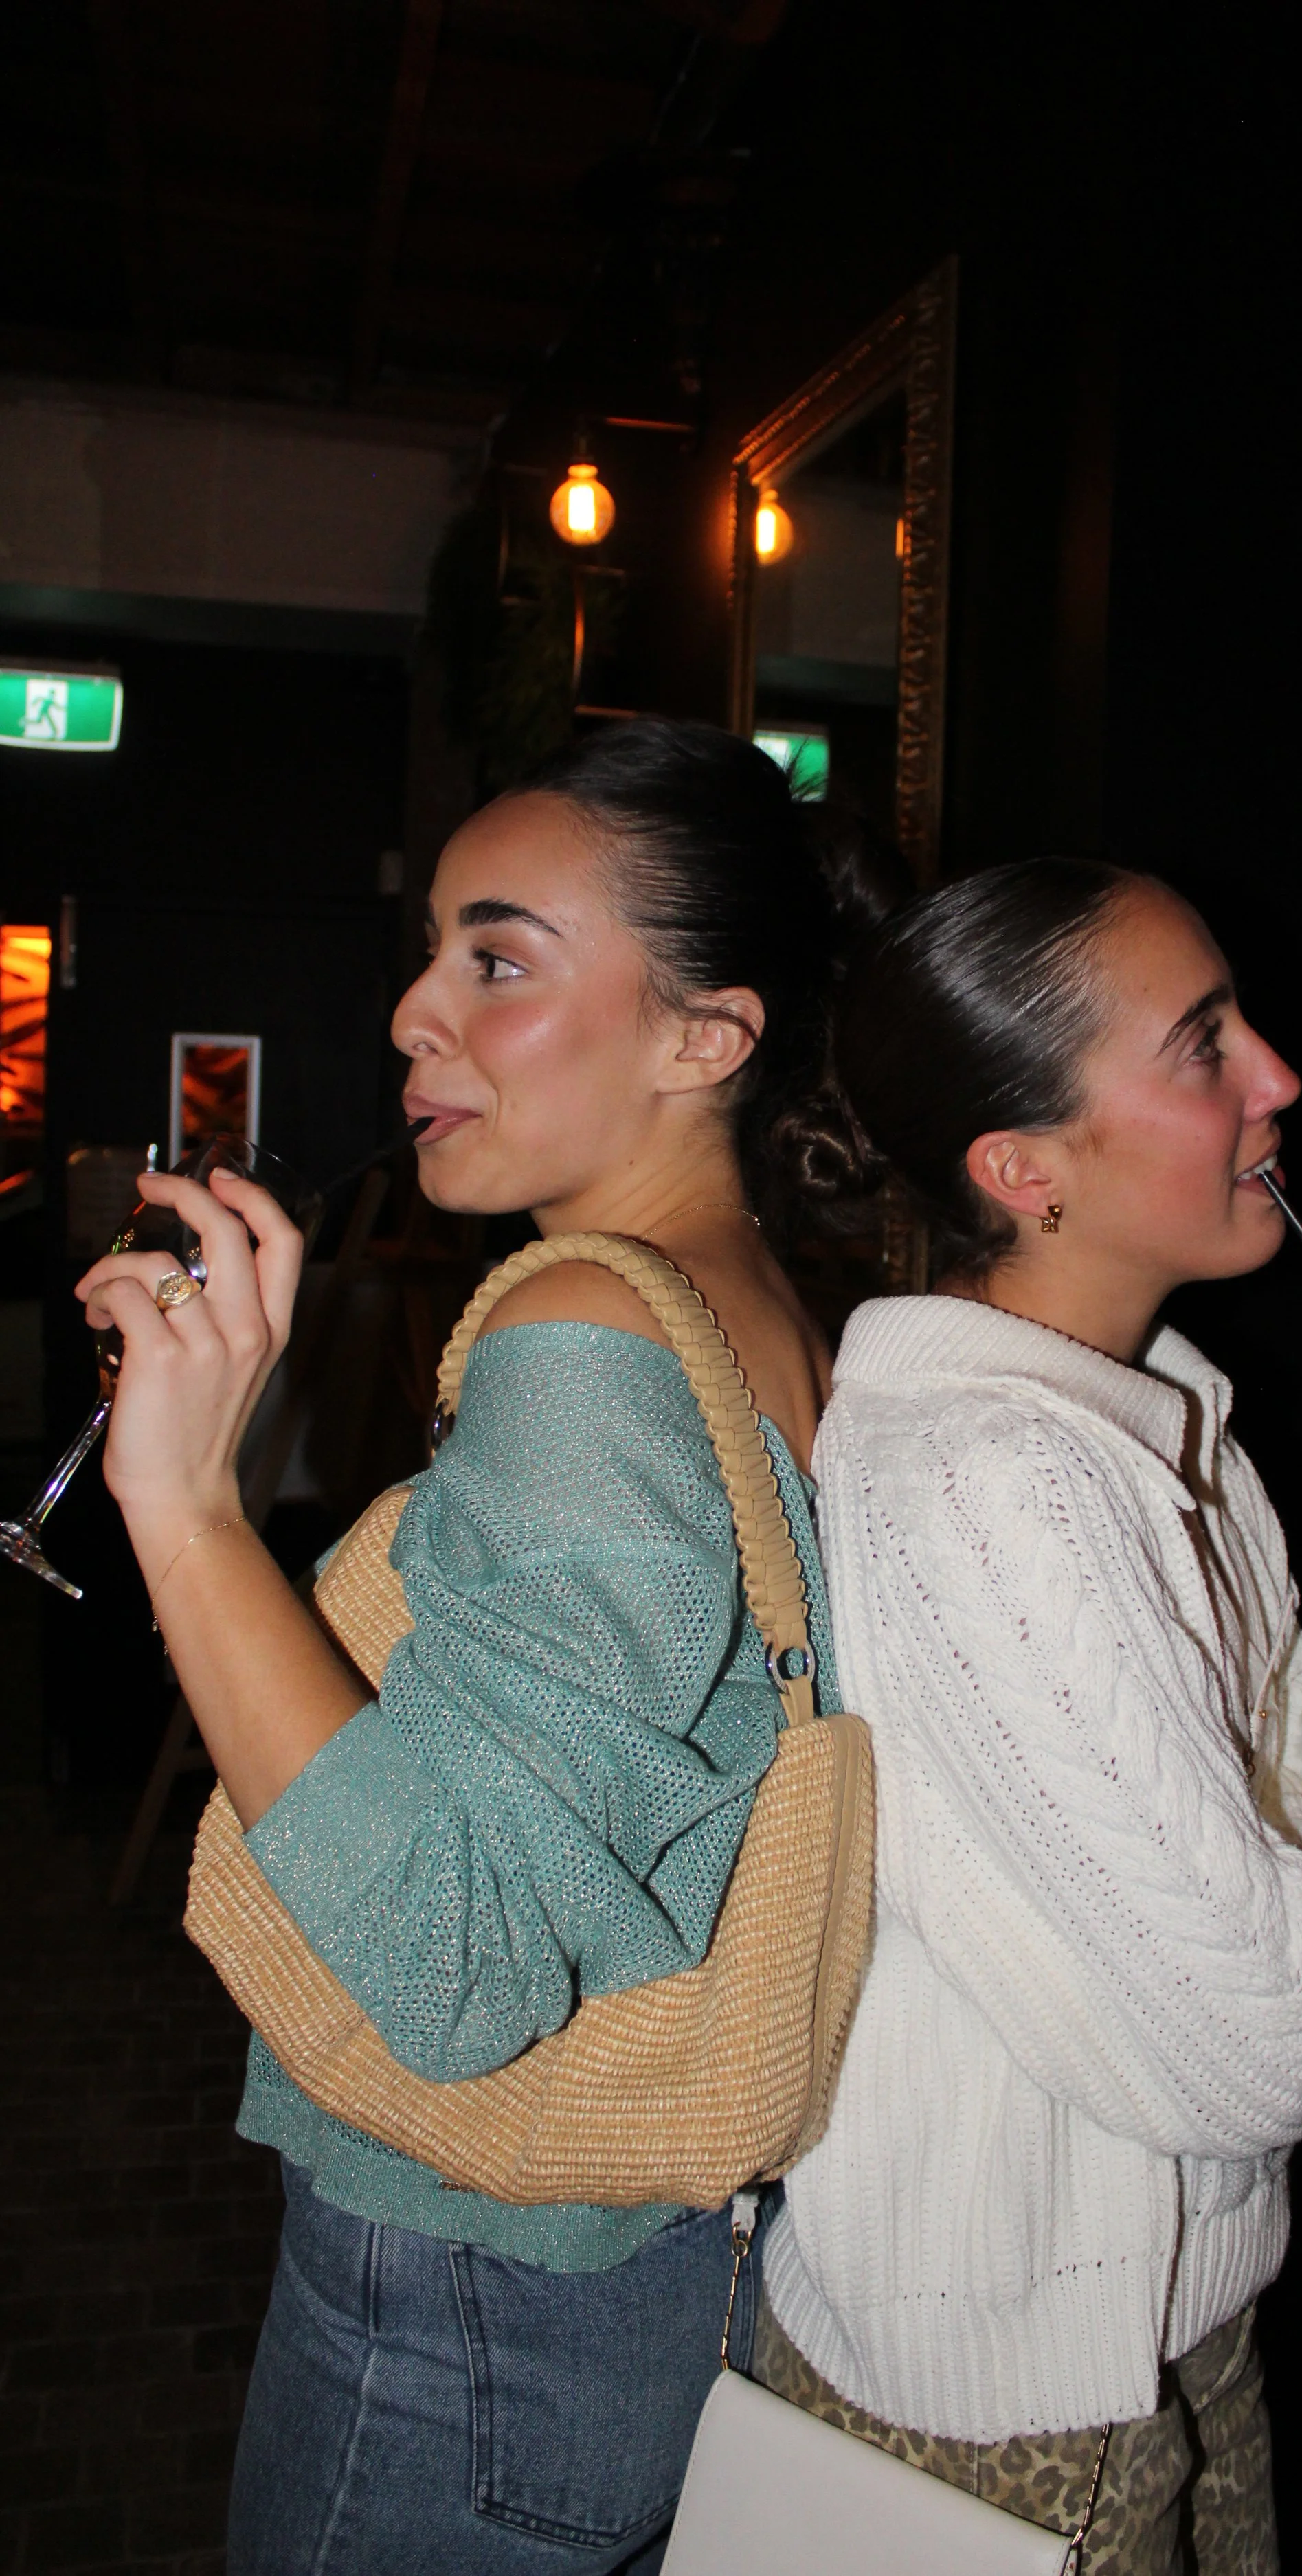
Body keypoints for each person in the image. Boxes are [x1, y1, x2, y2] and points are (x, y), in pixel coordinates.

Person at [76, 722, 896, 2575]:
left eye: (498, 958)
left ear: (710, 1034)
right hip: (629, 2292)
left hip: (460, 2306)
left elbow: (456, 1953)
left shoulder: (591, 1326)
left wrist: (188, 1505)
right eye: (435, 949)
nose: (412, 1012)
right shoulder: (761, 1303)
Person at [756, 859, 1302, 2573]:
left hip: (1171, 2326)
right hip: (999, 2411)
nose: (1277, 1076)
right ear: (1023, 1170)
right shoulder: (991, 1488)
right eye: (1202, 1044)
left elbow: (1295, 1806)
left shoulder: (1160, 1411)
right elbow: (1255, 2038)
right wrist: (1280, 1907)